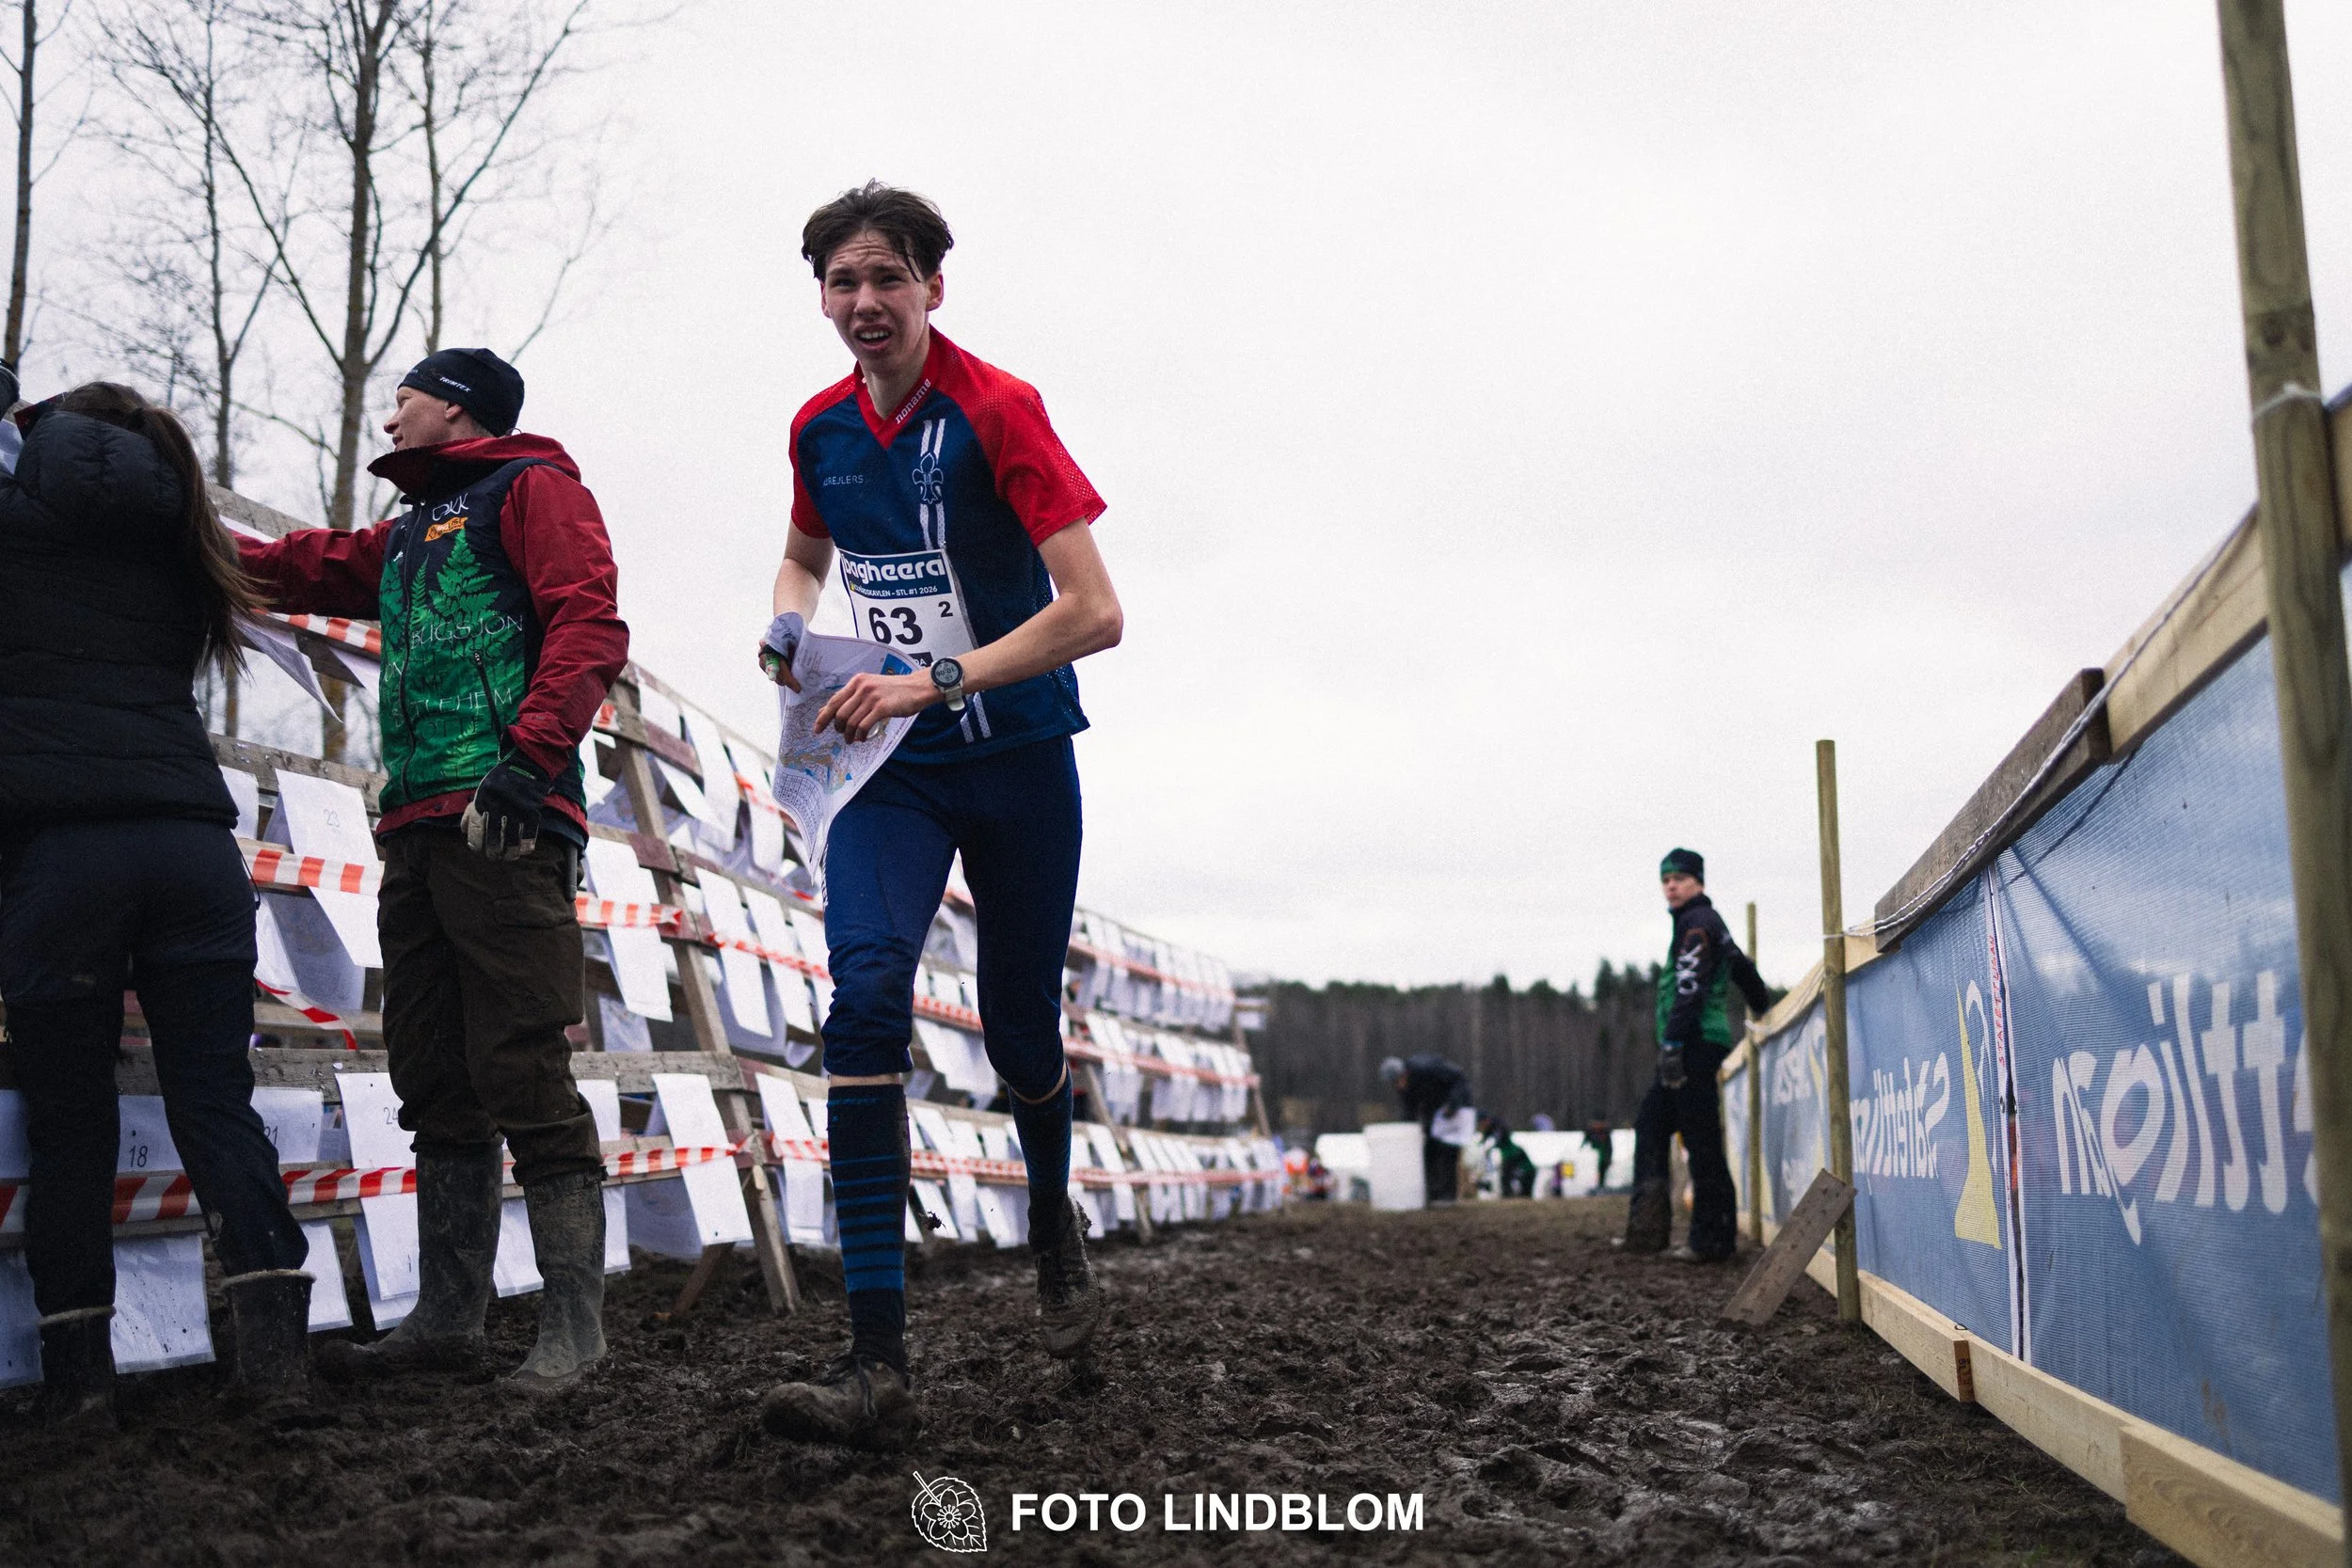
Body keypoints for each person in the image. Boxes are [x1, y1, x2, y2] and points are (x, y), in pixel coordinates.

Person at [755, 182, 1124, 1450]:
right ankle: (875, 1360)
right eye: (842, 283)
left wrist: (939, 674)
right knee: (861, 995)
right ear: (821, 295)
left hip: (1015, 752)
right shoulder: (819, 426)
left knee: (1021, 1024)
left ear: (932, 288)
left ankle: (1056, 1221)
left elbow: (1095, 609)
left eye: (887, 280)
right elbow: (805, 551)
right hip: (890, 761)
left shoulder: (998, 409)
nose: (864, 303)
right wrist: (791, 618)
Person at [236, 347, 628, 1389]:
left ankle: (574, 1326)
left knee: (521, 1061)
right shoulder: (412, 529)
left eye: (401, 398)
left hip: (504, 816)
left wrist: (530, 759)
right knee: (431, 1070)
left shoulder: (534, 488)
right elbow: (307, 566)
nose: (390, 416)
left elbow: (590, 622)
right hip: (410, 822)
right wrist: (190, 533)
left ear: (450, 407)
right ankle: (450, 1314)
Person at [0, 378, 315, 1424]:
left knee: (72, 1121)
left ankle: (79, 1380)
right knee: (216, 1102)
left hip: (61, 858)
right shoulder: (191, 549)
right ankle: (276, 1361)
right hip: (191, 849)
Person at [1625, 848, 1772, 1261]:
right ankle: (1648, 1231)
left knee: (1700, 1138)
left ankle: (1712, 1241)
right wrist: (1762, 1003)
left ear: (1698, 882)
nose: (1670, 885)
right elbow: (1741, 965)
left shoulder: (1696, 926)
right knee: (1651, 1125)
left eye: (1679, 878)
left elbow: (1689, 989)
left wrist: (1671, 1044)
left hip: (1692, 1045)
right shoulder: (1707, 923)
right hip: (1693, 1043)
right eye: (1665, 879)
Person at [1379, 1053, 1473, 1204]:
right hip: (1435, 1113)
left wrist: (1453, 1104)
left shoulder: (1427, 1068)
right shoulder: (1404, 1087)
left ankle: (1448, 1196)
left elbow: (1459, 1079)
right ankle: (1432, 1194)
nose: (1398, 1085)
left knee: (1448, 1152)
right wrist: (1407, 1130)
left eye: (1398, 1080)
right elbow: (1409, 1110)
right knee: (1428, 1150)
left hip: (1455, 1109)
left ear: (1404, 1073)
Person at [1480, 1113, 1537, 1199]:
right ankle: (1507, 1195)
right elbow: (1484, 1141)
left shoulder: (1499, 1128)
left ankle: (1508, 1195)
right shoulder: (1492, 1129)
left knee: (1508, 1177)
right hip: (1509, 1155)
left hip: (1512, 1155)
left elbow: (1502, 1138)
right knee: (1506, 1177)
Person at [1584, 1119, 1615, 1192]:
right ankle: (1600, 1186)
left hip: (1603, 1158)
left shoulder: (1605, 1136)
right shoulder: (1592, 1134)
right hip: (1597, 1158)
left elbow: (1609, 1148)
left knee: (1602, 1172)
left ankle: (1601, 1186)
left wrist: (1609, 1158)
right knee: (1600, 1171)